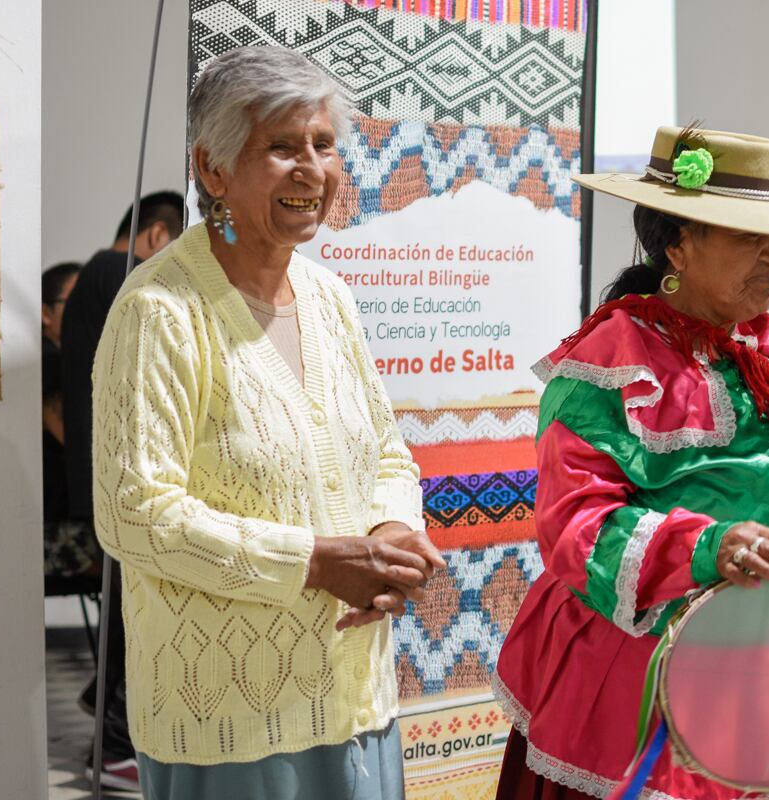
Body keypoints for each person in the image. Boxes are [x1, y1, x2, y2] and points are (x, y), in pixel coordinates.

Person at [492, 124, 769, 800]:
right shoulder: (610, 365)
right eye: (747, 236)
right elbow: (575, 527)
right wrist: (706, 548)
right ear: (679, 245)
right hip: (646, 682)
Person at [92, 46, 444, 800]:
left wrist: (388, 533)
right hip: (231, 719)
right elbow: (134, 515)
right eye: (281, 147)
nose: (311, 169)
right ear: (212, 169)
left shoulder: (329, 299)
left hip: (355, 700)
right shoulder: (159, 312)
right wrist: (313, 562)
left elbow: (387, 455)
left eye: (323, 145)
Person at [59, 190, 184, 791]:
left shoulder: (94, 276)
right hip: (119, 479)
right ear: (158, 236)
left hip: (103, 476)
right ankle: (110, 747)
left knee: (124, 611)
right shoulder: (119, 274)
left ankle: (103, 721)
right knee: (129, 615)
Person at [41, 262, 96, 578]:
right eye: (74, 304)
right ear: (45, 313)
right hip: (56, 527)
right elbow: (73, 437)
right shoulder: (49, 361)